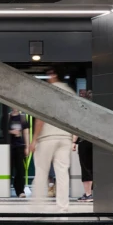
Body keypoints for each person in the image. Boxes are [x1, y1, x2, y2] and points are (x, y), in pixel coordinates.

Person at [30, 66, 76, 210]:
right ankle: (63, 207)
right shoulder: (69, 91)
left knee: (41, 171)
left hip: (47, 137)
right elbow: (76, 117)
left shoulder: (48, 91)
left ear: (53, 75)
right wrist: (74, 137)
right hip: (65, 138)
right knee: (62, 173)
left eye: (49, 75)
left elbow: (41, 118)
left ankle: (37, 207)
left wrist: (34, 139)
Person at [7, 107, 28, 199]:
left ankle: (20, 191)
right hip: (9, 147)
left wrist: (27, 146)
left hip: (19, 147)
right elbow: (3, 130)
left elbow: (26, 132)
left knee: (20, 170)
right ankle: (5, 188)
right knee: (9, 169)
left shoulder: (22, 118)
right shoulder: (7, 117)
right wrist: (12, 131)